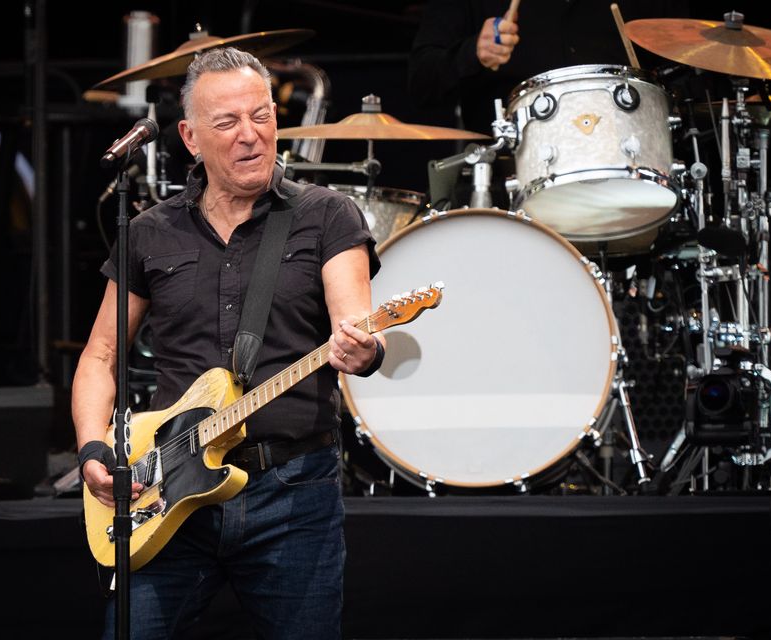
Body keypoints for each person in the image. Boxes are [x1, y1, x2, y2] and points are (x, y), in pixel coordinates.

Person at [72, 46, 384, 639]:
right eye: (228, 122)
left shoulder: (328, 215)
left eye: (262, 116)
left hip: (291, 494)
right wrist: (92, 450)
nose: (251, 136)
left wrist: (361, 349)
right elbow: (100, 357)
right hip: (166, 489)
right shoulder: (148, 231)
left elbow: (358, 328)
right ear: (190, 137)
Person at [408, 0, 689, 136]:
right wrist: (473, 53)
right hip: (510, 185)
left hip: (635, 174)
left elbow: (689, 72)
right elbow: (421, 83)